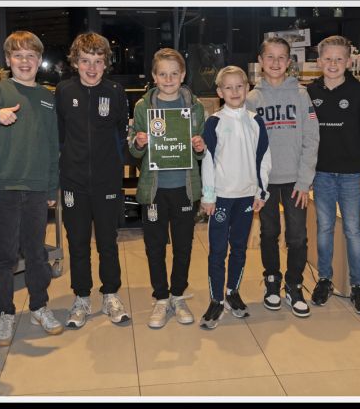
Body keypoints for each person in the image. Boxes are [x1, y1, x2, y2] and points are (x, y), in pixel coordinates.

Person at [0, 31, 62, 346]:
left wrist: (52, 188)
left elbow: (53, 145)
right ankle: (5, 312)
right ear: (8, 59)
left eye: (31, 55)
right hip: (2, 186)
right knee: (3, 256)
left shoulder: (47, 97)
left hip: (37, 188)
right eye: (18, 55)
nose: (24, 61)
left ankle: (40, 306)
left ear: (39, 60)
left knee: (36, 253)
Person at [55, 32, 131, 328]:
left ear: (106, 63)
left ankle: (110, 293)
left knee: (108, 241)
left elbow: (121, 135)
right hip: (73, 181)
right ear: (75, 62)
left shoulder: (115, 92)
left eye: (98, 61)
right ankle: (82, 297)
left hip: (106, 181)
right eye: (85, 61)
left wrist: (116, 169)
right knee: (77, 242)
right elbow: (59, 137)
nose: (91, 68)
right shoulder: (63, 91)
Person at [129, 48, 206, 329]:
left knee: (183, 246)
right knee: (155, 246)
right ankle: (161, 297)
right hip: (155, 190)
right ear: (154, 76)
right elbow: (134, 149)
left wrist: (200, 147)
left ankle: (177, 295)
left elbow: (202, 150)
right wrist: (138, 142)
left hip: (185, 188)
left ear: (183, 75)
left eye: (174, 73)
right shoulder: (143, 107)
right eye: (163, 74)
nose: (169, 79)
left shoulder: (195, 107)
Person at [246, 37, 319, 318]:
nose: (275, 63)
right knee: (269, 233)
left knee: (297, 236)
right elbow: (247, 145)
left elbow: (312, 138)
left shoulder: (300, 95)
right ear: (260, 61)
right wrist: (255, 183)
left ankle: (294, 284)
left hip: (295, 181)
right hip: (265, 182)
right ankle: (272, 281)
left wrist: (304, 180)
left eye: (281, 57)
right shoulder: (252, 98)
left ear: (289, 62)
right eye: (270, 57)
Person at [306, 36, 360, 314]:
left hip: (351, 175)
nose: (333, 64)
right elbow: (306, 135)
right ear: (319, 61)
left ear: (348, 62)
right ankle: (324, 279)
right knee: (324, 228)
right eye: (328, 59)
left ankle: (358, 285)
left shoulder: (359, 92)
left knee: (353, 229)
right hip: (321, 174)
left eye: (339, 59)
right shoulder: (310, 91)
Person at [199, 65, 271, 329]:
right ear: (220, 92)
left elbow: (263, 158)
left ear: (247, 88)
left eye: (239, 86)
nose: (234, 91)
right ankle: (216, 299)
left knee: (239, 248)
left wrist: (261, 191)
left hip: (247, 197)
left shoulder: (255, 121)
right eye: (228, 87)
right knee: (218, 251)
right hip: (221, 198)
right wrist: (208, 196)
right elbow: (208, 160)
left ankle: (232, 292)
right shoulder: (214, 122)